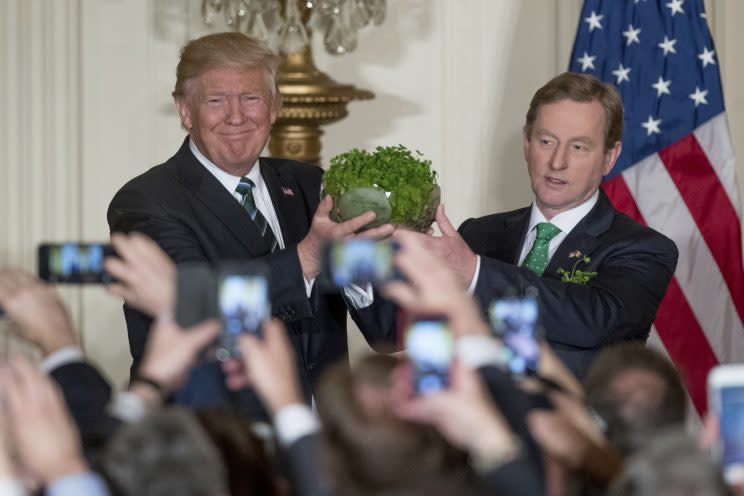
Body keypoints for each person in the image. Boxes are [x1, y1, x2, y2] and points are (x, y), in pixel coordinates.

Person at [106, 32, 395, 408]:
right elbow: (195, 306)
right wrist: (308, 257)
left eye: (251, 98)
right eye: (216, 101)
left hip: (321, 445)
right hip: (216, 442)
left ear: (274, 107)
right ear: (185, 110)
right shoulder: (145, 201)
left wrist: (363, 267)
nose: (237, 116)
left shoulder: (312, 185)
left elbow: (388, 332)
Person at [357, 71, 679, 379]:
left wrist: (475, 273)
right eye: (547, 141)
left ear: (610, 157)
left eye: (578, 147)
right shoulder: (478, 236)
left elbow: (596, 320)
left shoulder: (645, 249)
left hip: (577, 433)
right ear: (527, 144)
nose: (558, 162)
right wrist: (358, 247)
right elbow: (388, 332)